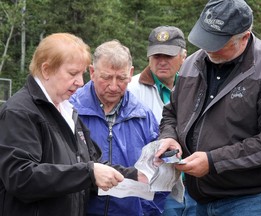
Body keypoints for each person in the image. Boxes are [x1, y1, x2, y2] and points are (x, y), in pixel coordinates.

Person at [155, 0, 261, 215]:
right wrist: (169, 136)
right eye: (205, 38)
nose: (207, 48)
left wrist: (214, 161)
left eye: (217, 42)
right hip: (197, 198)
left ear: (244, 37)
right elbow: (172, 112)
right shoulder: (191, 64)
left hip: (255, 200)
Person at [0, 33, 144, 216]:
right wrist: (88, 173)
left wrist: (136, 175)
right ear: (46, 70)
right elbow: (21, 178)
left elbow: (92, 162)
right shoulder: (20, 112)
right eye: (72, 73)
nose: (80, 82)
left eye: (81, 74)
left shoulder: (68, 110)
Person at [70, 40, 167, 216]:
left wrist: (148, 213)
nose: (114, 86)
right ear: (92, 72)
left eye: (121, 78)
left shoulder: (144, 117)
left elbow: (160, 173)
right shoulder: (70, 110)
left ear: (130, 74)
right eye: (106, 77)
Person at [128, 25, 196, 215]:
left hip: (195, 185)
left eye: (169, 56)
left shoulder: (199, 88)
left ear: (184, 56)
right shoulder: (130, 90)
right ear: (149, 57)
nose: (162, 62)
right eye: (157, 56)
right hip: (154, 188)